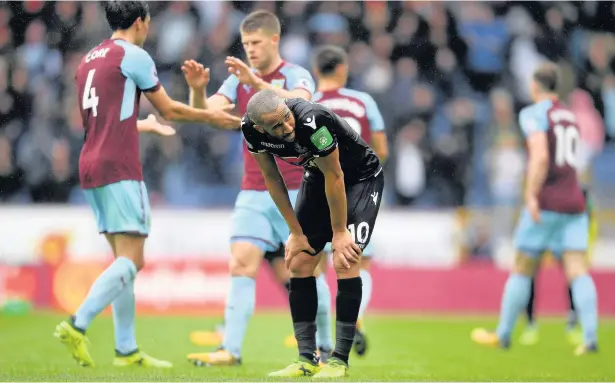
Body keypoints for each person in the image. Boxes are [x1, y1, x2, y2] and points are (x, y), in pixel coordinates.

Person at [53, 1, 240, 368]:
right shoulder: (134, 55)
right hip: (119, 166)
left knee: (123, 259)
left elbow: (99, 124)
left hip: (90, 164)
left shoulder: (88, 59)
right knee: (133, 259)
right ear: (140, 22)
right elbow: (169, 108)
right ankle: (78, 323)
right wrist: (211, 115)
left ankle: (126, 350)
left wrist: (141, 125)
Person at [183, 10, 334, 366]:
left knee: (306, 270)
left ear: (274, 40)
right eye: (246, 43)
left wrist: (256, 80)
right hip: (253, 190)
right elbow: (205, 114)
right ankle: (230, 350)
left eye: (255, 42)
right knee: (241, 264)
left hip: (299, 190)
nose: (249, 49)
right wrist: (197, 90)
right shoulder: (238, 80)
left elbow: (299, 103)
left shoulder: (295, 74)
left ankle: (326, 346)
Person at [242, 89, 384, 377]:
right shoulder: (251, 132)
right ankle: (306, 359)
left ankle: (339, 361)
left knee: (345, 260)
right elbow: (272, 179)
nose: (287, 128)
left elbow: (337, 175)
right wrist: (295, 232)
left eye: (286, 118)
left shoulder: (312, 120)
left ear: (286, 106)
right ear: (260, 128)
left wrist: (340, 232)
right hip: (318, 176)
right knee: (299, 262)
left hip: (359, 178)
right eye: (277, 127)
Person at [471, 62, 598, 356]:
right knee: (577, 268)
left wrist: (530, 195)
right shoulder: (570, 115)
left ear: (534, 85)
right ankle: (589, 337)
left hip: (547, 201)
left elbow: (540, 156)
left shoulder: (533, 113)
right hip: (574, 200)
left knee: (522, 267)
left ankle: (503, 334)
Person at [307, 45, 388, 357]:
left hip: (321, 190)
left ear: (317, 71)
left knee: (315, 268)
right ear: (342, 69)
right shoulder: (363, 101)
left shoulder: (308, 102)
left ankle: (323, 343)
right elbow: (380, 148)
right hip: (360, 191)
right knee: (357, 264)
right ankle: (352, 318)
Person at [519, 188, 597, 347]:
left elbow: (588, 213)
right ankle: (530, 323)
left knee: (574, 276)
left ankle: (573, 323)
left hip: (564, 227)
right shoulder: (550, 183)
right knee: (530, 274)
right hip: (543, 222)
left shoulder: (576, 187)